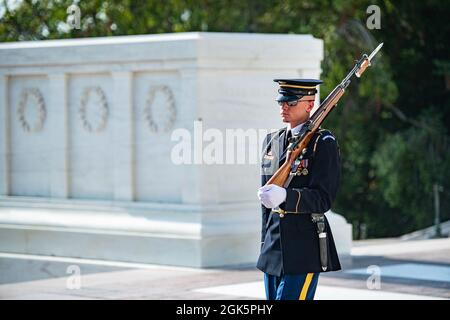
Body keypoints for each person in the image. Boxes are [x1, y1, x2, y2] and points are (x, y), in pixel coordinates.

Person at [256, 79, 342, 300]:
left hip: (303, 248)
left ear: (309, 104)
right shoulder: (272, 141)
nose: (284, 107)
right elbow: (266, 205)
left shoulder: (323, 143)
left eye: (291, 103)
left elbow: (323, 199)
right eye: (282, 102)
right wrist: (264, 243)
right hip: (273, 249)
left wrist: (286, 196)